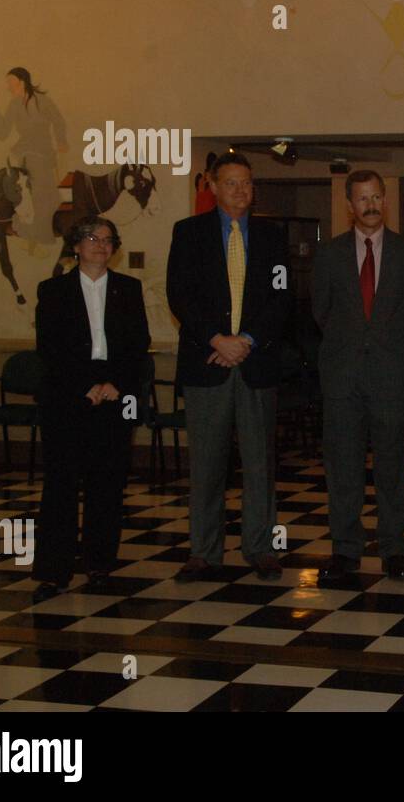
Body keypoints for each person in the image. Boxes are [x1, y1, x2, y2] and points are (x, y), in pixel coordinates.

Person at [166, 152, 290, 582]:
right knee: (206, 464)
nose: (241, 190)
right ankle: (203, 551)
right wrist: (218, 340)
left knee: (260, 463)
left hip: (256, 365)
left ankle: (260, 548)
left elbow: (281, 298)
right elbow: (179, 295)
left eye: (247, 184)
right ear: (213, 187)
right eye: (232, 183)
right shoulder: (188, 233)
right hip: (208, 363)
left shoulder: (273, 237)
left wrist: (247, 341)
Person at [314, 169, 404, 584]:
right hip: (342, 379)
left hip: (391, 379)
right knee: (342, 468)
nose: (370, 205)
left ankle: (395, 548)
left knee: (392, 467)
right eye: (362, 198)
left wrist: (384, 344)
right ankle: (345, 550)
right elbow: (321, 312)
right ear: (349, 205)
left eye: (376, 197)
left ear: (386, 200)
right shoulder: (328, 254)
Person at [32, 216, 149, 603]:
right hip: (68, 394)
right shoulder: (52, 290)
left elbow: (138, 345)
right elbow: (51, 349)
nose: (100, 245)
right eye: (91, 238)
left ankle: (99, 564)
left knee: (108, 483)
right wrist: (87, 386)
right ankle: (54, 570)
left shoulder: (129, 289)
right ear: (76, 246)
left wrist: (115, 384)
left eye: (107, 239)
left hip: (115, 392)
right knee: (61, 484)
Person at [0, 67, 66, 246]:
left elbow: (58, 120)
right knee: (14, 187)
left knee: (41, 191)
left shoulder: (42, 101)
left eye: (10, 83)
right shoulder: (14, 104)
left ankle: (43, 232)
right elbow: (2, 132)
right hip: (22, 153)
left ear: (22, 82)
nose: (8, 87)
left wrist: (61, 141)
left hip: (41, 152)